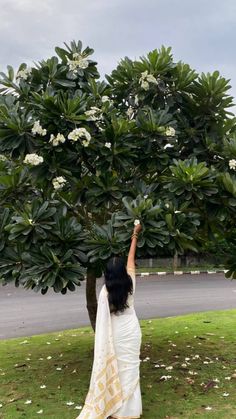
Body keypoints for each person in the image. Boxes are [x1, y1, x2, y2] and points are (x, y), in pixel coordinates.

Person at [77, 222, 142, 419]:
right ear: (123, 271)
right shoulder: (130, 281)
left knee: (118, 368)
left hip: (116, 332)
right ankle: (128, 411)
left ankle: (114, 409)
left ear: (107, 275)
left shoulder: (105, 293)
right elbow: (131, 258)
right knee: (130, 368)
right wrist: (135, 234)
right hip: (131, 330)